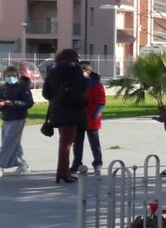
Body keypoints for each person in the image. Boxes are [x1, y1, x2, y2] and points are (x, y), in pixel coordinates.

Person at [42, 49, 88, 184]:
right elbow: (82, 86)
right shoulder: (75, 68)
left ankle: (64, 172)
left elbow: (46, 93)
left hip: (57, 109)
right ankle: (62, 173)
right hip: (72, 109)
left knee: (64, 141)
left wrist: (57, 96)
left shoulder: (52, 69)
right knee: (66, 144)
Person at [70, 61, 105, 175]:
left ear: (88, 72)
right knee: (77, 143)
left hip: (91, 119)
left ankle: (97, 163)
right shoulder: (77, 84)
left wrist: (94, 115)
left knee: (94, 143)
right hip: (79, 118)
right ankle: (76, 164)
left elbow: (101, 103)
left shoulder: (96, 85)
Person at [0, 65, 33, 176]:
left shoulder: (22, 87)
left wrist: (13, 103)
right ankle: (22, 165)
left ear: (18, 76)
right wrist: (2, 104)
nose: (11, 78)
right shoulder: (3, 88)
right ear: (4, 76)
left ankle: (1, 165)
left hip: (18, 118)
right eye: (8, 76)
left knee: (7, 143)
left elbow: (29, 103)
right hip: (6, 118)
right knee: (14, 144)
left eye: (13, 76)